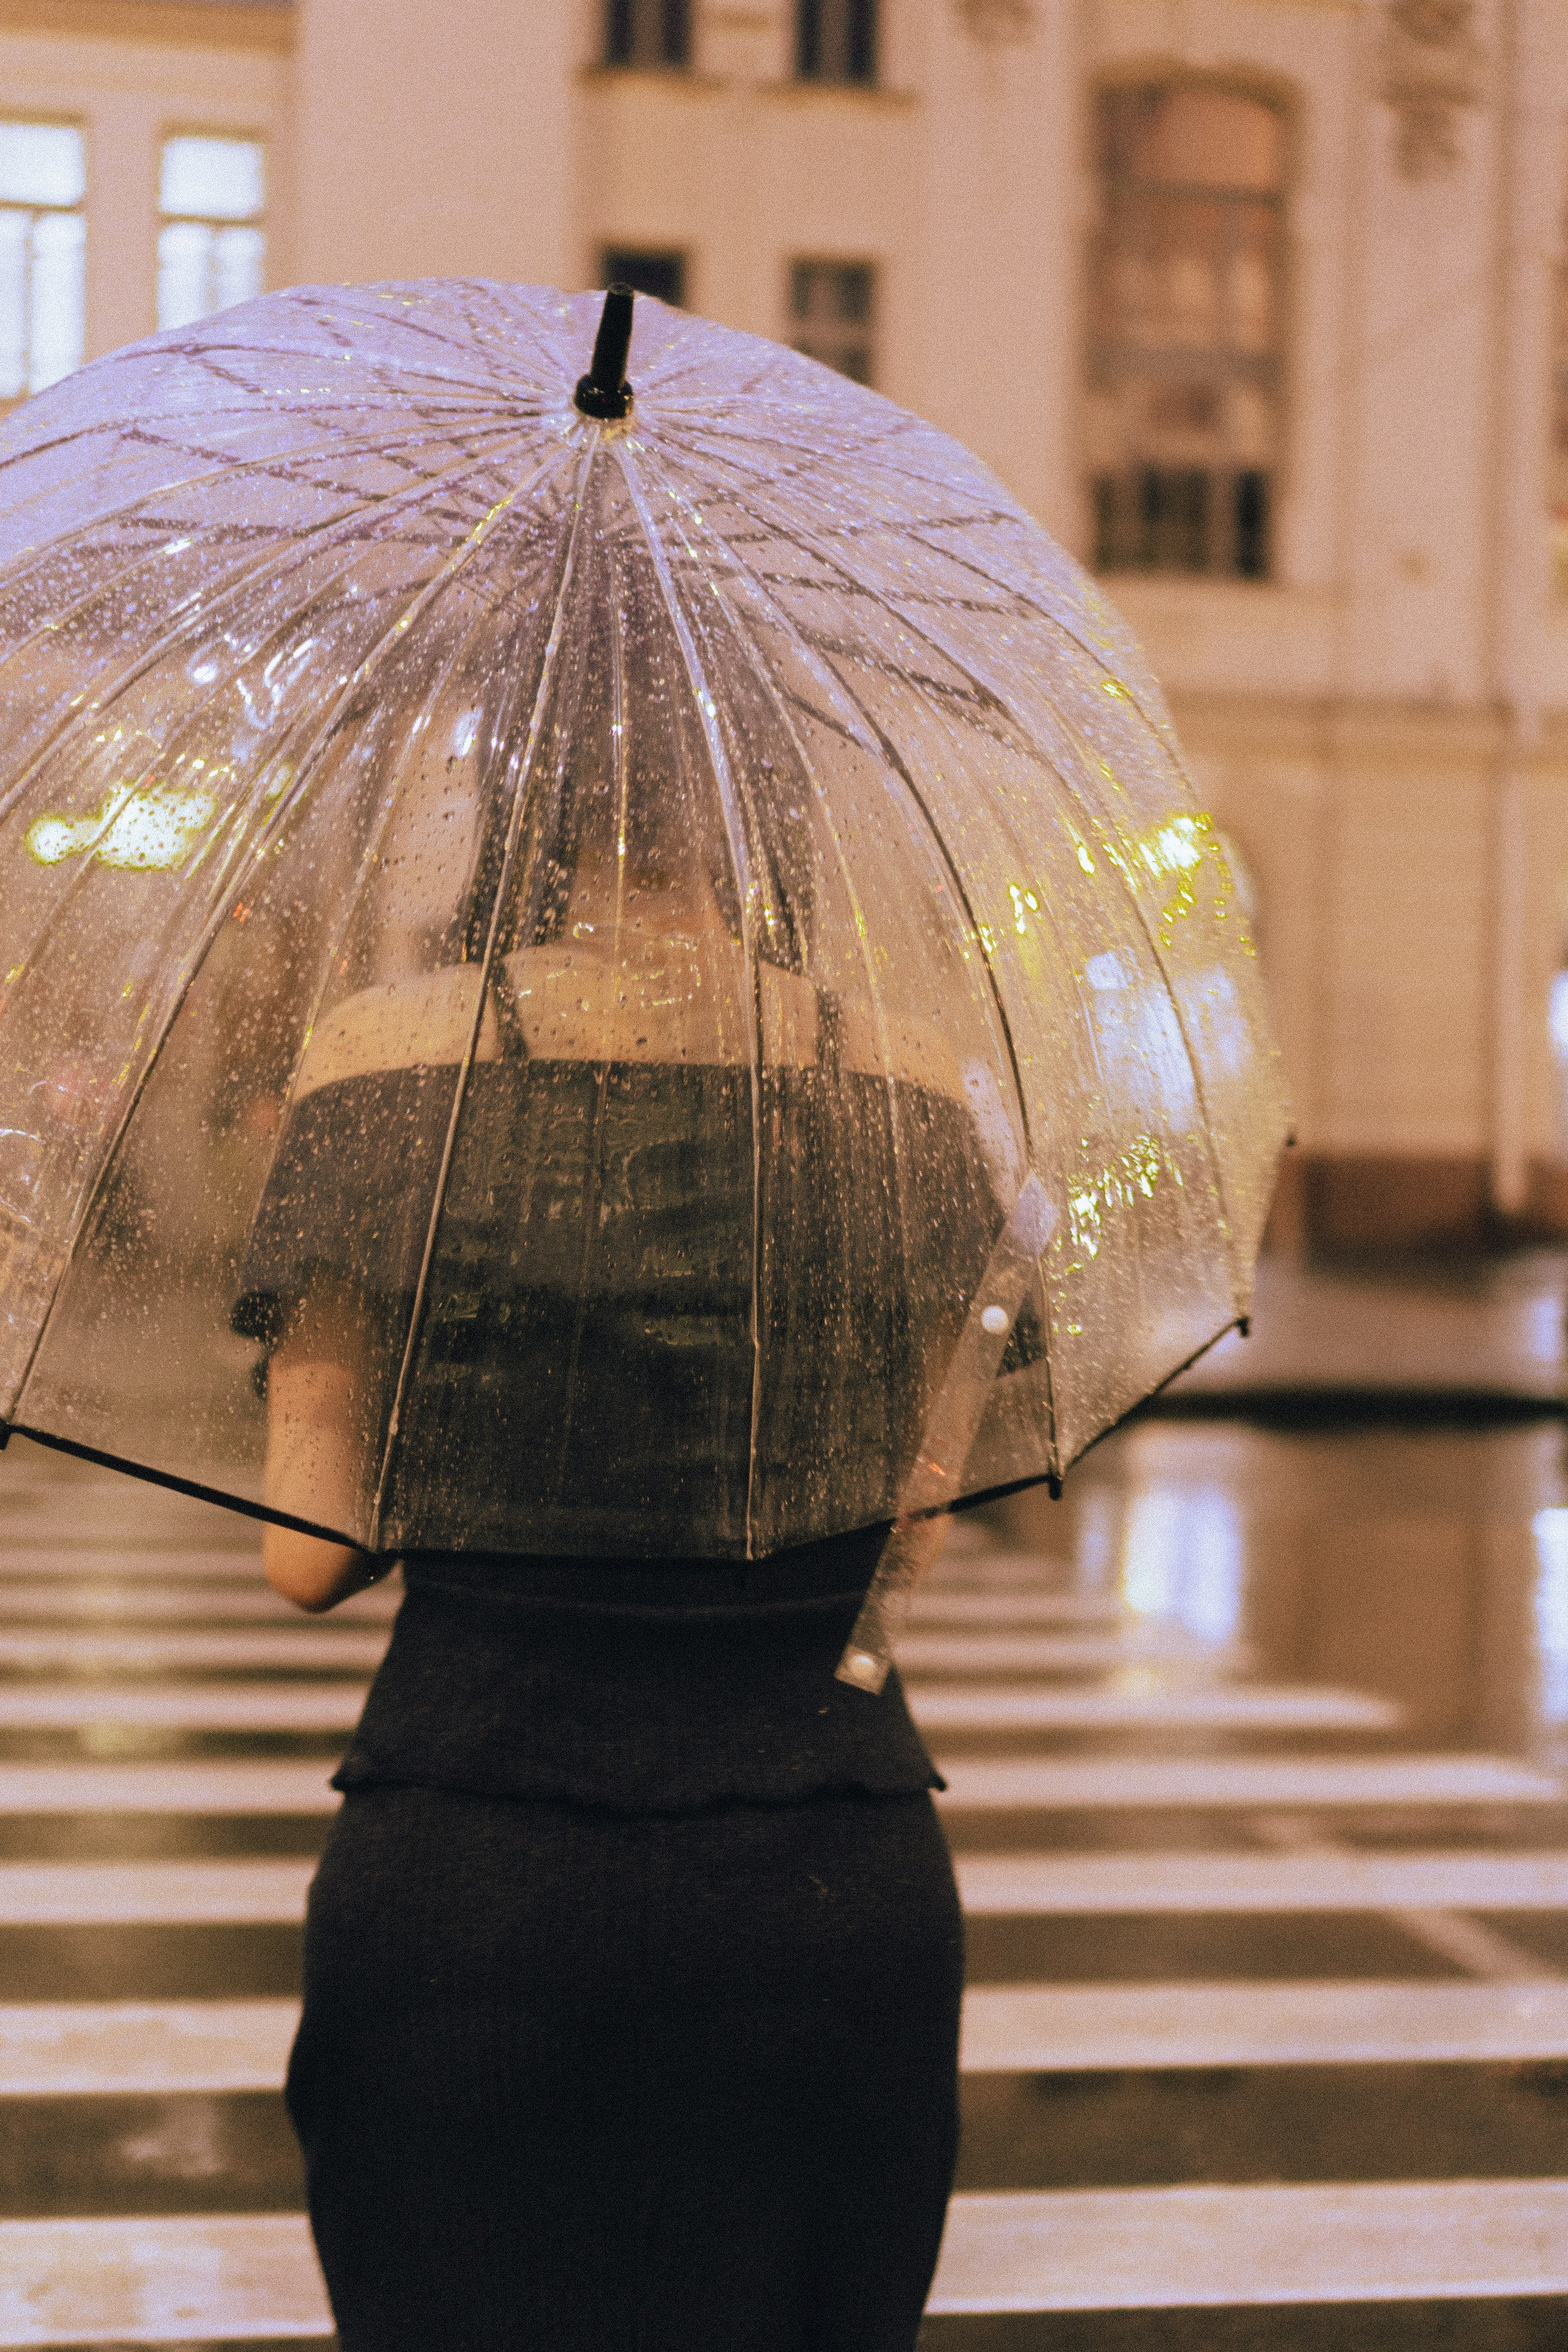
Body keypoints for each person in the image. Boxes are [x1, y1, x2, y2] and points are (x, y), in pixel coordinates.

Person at [242, 721, 1004, 2351]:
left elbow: (308, 1552)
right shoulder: (909, 1081)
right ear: (759, 822)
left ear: (534, 809)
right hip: (824, 1873)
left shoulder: (386, 1062)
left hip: (477, 1865)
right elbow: (906, 1551)